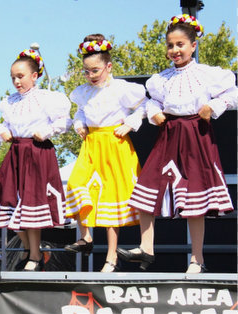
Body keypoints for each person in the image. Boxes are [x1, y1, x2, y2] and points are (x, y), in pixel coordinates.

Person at [117, 14, 236, 273]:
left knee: (195, 198)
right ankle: (146, 248)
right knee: (146, 186)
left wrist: (215, 105)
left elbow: (233, 93)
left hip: (196, 134)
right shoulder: (161, 79)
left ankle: (197, 259)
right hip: (169, 134)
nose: (175, 50)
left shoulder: (208, 75)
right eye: (170, 45)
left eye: (180, 44)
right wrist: (154, 112)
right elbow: (152, 100)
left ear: (193, 45)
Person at [64, 34, 146, 272]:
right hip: (92, 143)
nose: (90, 76)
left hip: (114, 143)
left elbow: (142, 107)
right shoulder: (83, 92)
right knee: (77, 183)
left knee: (111, 198)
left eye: (95, 71)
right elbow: (81, 111)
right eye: (87, 71)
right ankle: (86, 237)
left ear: (108, 67)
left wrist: (129, 123)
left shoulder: (121, 89)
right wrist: (79, 123)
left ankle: (111, 258)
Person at [0, 49, 71, 271]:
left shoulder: (47, 99)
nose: (16, 81)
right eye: (13, 77)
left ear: (34, 76)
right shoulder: (9, 102)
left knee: (31, 203)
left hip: (37, 153)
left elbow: (65, 122)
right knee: (8, 202)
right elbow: (7, 124)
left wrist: (46, 131)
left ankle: (35, 255)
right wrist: (3, 130)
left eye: (21, 76)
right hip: (16, 153)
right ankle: (28, 248)